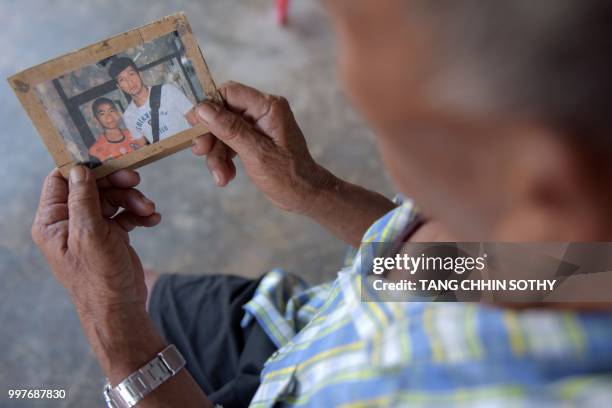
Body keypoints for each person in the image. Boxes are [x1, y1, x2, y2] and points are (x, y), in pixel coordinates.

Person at [31, 1, 612, 407]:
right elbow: (474, 262)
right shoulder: (579, 245)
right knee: (150, 289)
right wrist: (313, 189)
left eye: (348, 34)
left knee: (127, 296)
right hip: (300, 333)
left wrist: (114, 329)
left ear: (540, 181)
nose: (344, 75)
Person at [108, 57, 199, 143]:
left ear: (140, 74)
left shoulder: (167, 91)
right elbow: (143, 145)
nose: (130, 82)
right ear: (119, 86)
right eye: (122, 79)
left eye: (131, 74)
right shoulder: (128, 116)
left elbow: (194, 121)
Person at [88, 97, 147, 162]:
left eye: (111, 111)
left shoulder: (136, 134)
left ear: (118, 113)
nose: (109, 116)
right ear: (96, 120)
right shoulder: (95, 151)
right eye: (102, 114)